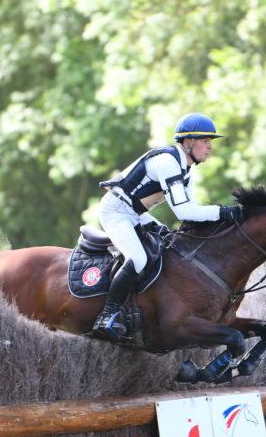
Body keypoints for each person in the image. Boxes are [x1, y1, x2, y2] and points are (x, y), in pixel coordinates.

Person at [93, 112, 244, 340]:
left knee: (168, 245)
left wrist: (224, 222)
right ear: (188, 142)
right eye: (205, 141)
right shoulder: (167, 163)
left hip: (137, 214)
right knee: (139, 259)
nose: (210, 147)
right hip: (116, 211)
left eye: (210, 142)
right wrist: (224, 212)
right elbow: (183, 211)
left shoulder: (186, 171)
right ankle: (107, 316)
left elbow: (191, 215)